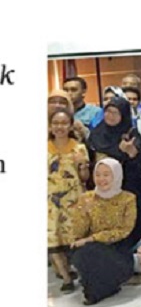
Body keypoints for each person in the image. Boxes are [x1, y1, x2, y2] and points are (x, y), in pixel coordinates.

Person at [69, 159, 137, 305]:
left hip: (118, 249)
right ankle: (93, 292)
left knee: (92, 251)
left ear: (116, 175)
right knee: (83, 252)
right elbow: (78, 233)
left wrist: (93, 238)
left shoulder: (128, 199)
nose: (101, 179)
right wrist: (82, 212)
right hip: (92, 249)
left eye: (106, 175)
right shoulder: (86, 198)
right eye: (98, 175)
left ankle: (105, 287)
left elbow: (124, 231)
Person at [87, 97, 141, 246]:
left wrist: (131, 153)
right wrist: (118, 151)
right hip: (102, 187)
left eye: (116, 113)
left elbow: (139, 163)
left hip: (127, 186)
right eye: (108, 111)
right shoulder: (96, 133)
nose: (110, 116)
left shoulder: (131, 133)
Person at [48, 108, 90, 293]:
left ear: (71, 125)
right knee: (53, 239)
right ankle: (66, 278)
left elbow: (85, 178)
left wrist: (82, 165)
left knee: (75, 238)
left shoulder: (79, 148)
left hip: (74, 200)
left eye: (64, 123)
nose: (60, 127)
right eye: (55, 123)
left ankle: (82, 273)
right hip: (50, 202)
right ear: (50, 126)